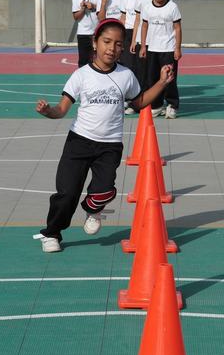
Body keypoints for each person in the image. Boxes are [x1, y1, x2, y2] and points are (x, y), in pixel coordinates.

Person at [34, 19, 175, 253]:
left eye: (118, 44)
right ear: (95, 43)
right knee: (66, 193)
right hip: (78, 142)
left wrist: (161, 83)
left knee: (104, 189)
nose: (112, 48)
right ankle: (52, 233)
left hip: (110, 146)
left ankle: (93, 209)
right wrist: (48, 111)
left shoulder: (126, 75)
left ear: (123, 48)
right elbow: (62, 109)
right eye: (107, 42)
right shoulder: (81, 75)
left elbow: (139, 102)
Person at [140, 0, 182, 118]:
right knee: (152, 79)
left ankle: (172, 105)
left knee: (169, 79)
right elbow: (144, 26)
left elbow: (177, 28)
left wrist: (177, 48)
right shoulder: (147, 7)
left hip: (168, 48)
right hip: (152, 48)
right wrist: (143, 46)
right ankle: (156, 105)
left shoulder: (172, 7)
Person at [130, 0, 172, 93]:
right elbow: (137, 20)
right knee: (142, 74)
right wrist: (134, 40)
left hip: (159, 44)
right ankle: (143, 98)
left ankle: (160, 99)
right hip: (142, 41)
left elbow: (170, 20)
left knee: (159, 74)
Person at [120, 0, 139, 114]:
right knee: (127, 66)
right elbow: (123, 18)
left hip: (139, 33)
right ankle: (127, 98)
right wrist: (120, 36)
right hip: (127, 33)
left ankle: (136, 100)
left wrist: (135, 40)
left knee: (138, 67)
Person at [72, 0, 101, 67]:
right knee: (83, 61)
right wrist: (82, 9)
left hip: (97, 33)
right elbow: (76, 17)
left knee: (99, 59)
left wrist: (93, 6)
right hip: (83, 34)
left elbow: (104, 9)